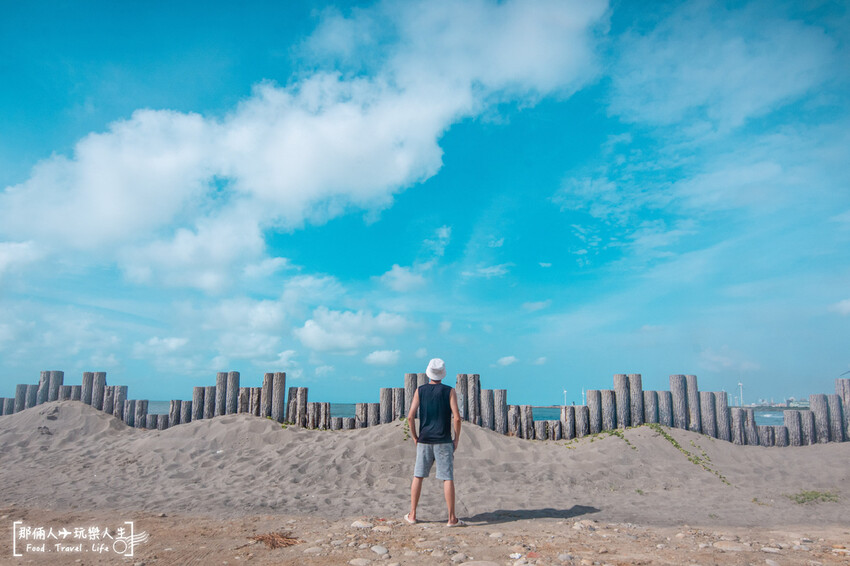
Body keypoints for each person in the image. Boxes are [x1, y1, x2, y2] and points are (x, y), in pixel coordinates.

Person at [405, 358, 463, 527]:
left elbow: (410, 416)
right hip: (443, 440)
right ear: (442, 374)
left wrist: (415, 437)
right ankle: (451, 518)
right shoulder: (449, 391)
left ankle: (413, 514)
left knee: (418, 476)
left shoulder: (420, 390)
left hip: (424, 439)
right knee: (447, 478)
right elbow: (457, 418)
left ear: (428, 372)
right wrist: (456, 439)